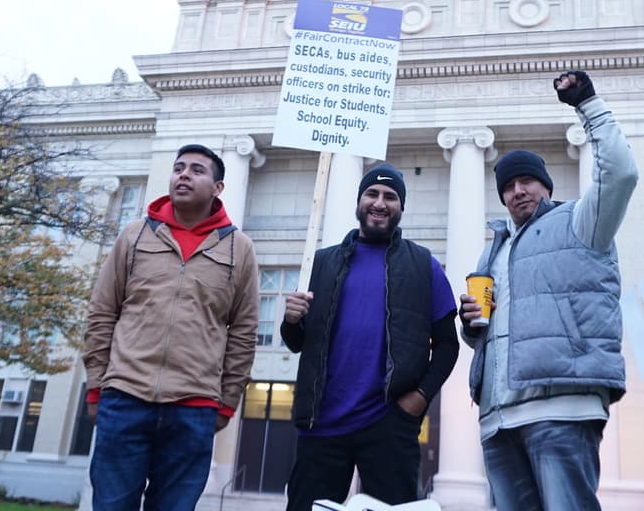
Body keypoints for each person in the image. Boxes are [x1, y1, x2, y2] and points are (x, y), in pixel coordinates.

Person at [459, 69, 639, 511]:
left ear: (546, 185)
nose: (518, 191)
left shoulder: (580, 223)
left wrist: (587, 105)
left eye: (527, 181)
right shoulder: (492, 252)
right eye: (508, 186)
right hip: (499, 417)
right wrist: (469, 324)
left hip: (561, 407)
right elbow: (486, 333)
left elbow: (621, 175)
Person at [82, 143, 260, 511]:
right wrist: (97, 385)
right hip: (125, 398)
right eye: (179, 168)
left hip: (193, 408)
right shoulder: (133, 236)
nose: (183, 175)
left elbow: (243, 332)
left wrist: (226, 403)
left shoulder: (239, 249)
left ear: (218, 188)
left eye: (197, 170)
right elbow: (101, 312)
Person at [280, 164, 460, 511]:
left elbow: (448, 345)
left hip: (389, 424)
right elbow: (297, 341)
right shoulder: (320, 263)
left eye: (390, 196)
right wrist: (291, 322)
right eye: (372, 194)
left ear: (401, 207)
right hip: (322, 422)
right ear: (359, 202)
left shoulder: (424, 265)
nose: (380, 203)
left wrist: (420, 398)